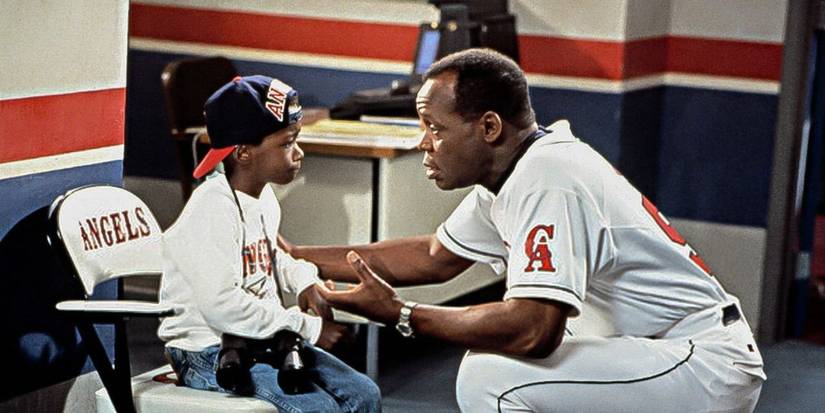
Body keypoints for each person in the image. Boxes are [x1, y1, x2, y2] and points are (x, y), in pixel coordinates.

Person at [287, 49, 766, 412]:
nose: (424, 143)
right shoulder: (522, 168)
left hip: (697, 359)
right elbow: (433, 256)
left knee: (488, 375)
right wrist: (291, 255)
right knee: (527, 356)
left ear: (490, 127)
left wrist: (402, 314)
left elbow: (535, 330)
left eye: (435, 127)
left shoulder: (549, 177)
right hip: (653, 346)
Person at [157, 75, 381, 413]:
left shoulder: (263, 198)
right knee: (316, 408)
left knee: (365, 395)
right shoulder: (211, 208)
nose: (299, 152)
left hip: (261, 336)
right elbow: (222, 305)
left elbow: (269, 256)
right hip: (204, 349)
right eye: (287, 143)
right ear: (244, 152)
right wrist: (308, 327)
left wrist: (305, 281)